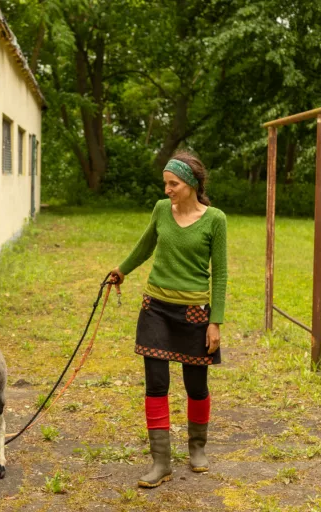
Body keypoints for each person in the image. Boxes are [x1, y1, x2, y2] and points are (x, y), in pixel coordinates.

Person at [110, 151, 227, 488]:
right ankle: (160, 461)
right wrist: (121, 271)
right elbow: (145, 245)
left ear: (190, 184)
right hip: (156, 308)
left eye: (173, 184)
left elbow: (219, 274)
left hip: (194, 313)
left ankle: (197, 448)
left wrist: (215, 321)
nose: (167, 190)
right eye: (166, 183)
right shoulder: (162, 210)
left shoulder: (215, 219)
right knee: (156, 384)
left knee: (196, 386)